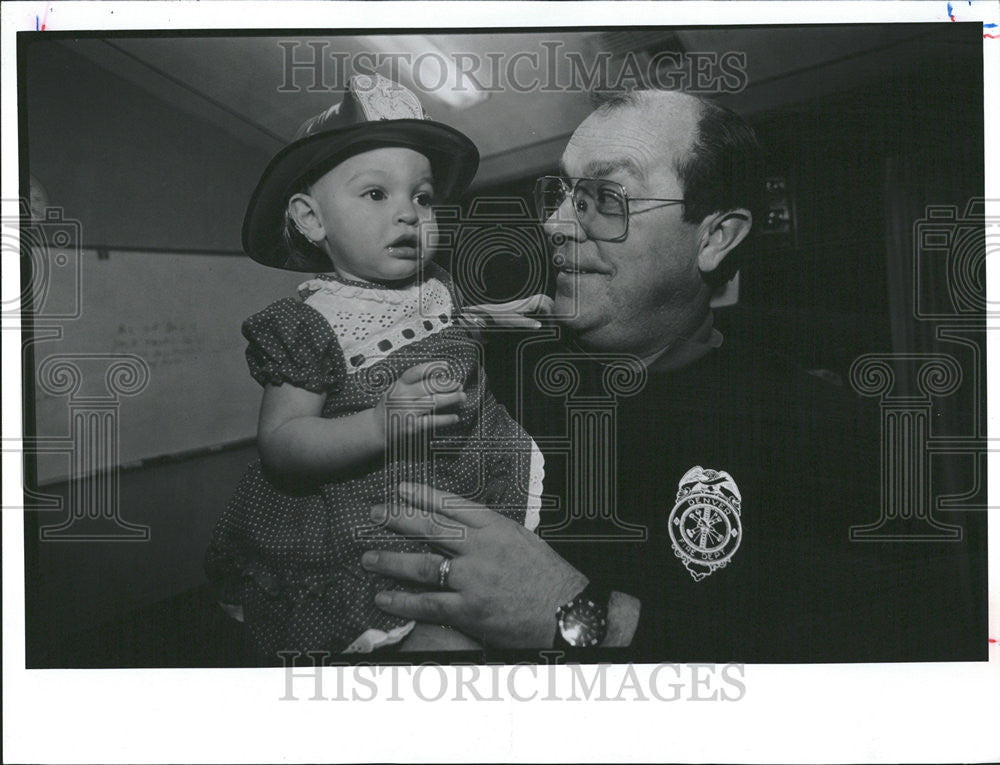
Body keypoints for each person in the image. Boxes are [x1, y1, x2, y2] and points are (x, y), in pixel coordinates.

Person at [361, 88, 983, 661]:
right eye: (561, 195)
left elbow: (899, 666)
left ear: (715, 238)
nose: (555, 225)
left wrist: (581, 615)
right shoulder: (482, 376)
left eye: (605, 199)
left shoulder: (830, 433)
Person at [204, 74, 550, 660]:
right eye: (375, 195)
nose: (410, 215)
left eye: (422, 197)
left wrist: (490, 317)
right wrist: (376, 424)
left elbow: (442, 329)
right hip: (372, 509)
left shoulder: (434, 286)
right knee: (436, 636)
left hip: (466, 463)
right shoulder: (310, 323)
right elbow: (282, 443)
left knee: (493, 602)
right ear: (312, 220)